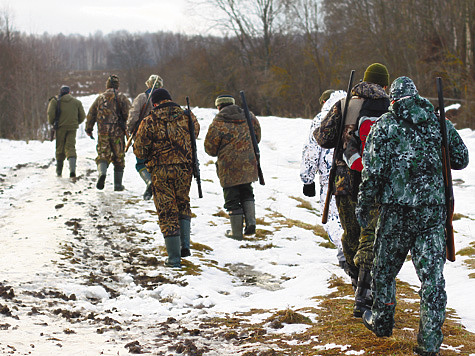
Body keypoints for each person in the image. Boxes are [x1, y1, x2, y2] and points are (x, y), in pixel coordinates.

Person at [356, 76, 469, 356]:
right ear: (417, 96)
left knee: (384, 271)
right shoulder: (437, 122)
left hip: (395, 213)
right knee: (432, 280)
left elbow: (372, 175)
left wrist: (364, 206)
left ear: (392, 99)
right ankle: (429, 342)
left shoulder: (383, 126)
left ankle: (382, 322)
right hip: (431, 213)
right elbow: (462, 159)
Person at [314, 63, 391, 317]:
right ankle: (370, 292)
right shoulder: (392, 107)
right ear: (385, 85)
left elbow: (324, 138)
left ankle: (358, 286)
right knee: (375, 234)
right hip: (380, 181)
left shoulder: (346, 104)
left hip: (345, 180)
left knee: (351, 232)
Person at [133, 88, 200, 268]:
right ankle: (184, 245)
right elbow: (195, 134)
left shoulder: (149, 121)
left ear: (155, 103)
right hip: (185, 169)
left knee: (166, 211)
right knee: (183, 203)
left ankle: (174, 258)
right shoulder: (187, 116)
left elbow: (139, 150)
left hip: (160, 171)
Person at [300, 89, 347, 269]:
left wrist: (307, 179)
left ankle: (346, 256)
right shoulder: (356, 111)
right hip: (357, 172)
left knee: (334, 219)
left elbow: (311, 151)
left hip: (330, 177)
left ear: (324, 101)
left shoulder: (321, 119)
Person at [204, 94, 261, 240]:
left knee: (232, 199)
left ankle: (236, 233)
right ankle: (251, 223)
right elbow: (257, 137)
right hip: (249, 162)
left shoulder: (218, 122)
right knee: (247, 192)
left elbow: (210, 149)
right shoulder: (249, 116)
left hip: (228, 167)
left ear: (219, 106)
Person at [85, 75, 131, 191]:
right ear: (117, 86)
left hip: (103, 133)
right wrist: (130, 129)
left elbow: (91, 115)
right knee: (119, 158)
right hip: (118, 134)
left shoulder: (100, 98)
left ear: (107, 86)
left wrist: (88, 129)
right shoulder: (122, 98)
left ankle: (102, 174)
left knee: (102, 156)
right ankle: (118, 185)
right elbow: (129, 115)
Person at [127, 74, 164, 200]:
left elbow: (133, 115)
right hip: (160, 136)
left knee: (141, 162)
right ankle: (158, 188)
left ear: (148, 84)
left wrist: (130, 129)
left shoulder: (142, 97)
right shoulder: (165, 98)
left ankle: (149, 183)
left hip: (142, 135)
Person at [47, 85, 86, 177]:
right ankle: (72, 170)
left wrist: (53, 123)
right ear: (69, 92)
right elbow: (82, 116)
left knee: (60, 148)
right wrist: (75, 122)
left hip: (60, 127)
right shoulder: (77, 102)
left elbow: (50, 114)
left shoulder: (55, 101)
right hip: (72, 128)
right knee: (70, 147)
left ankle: (59, 171)